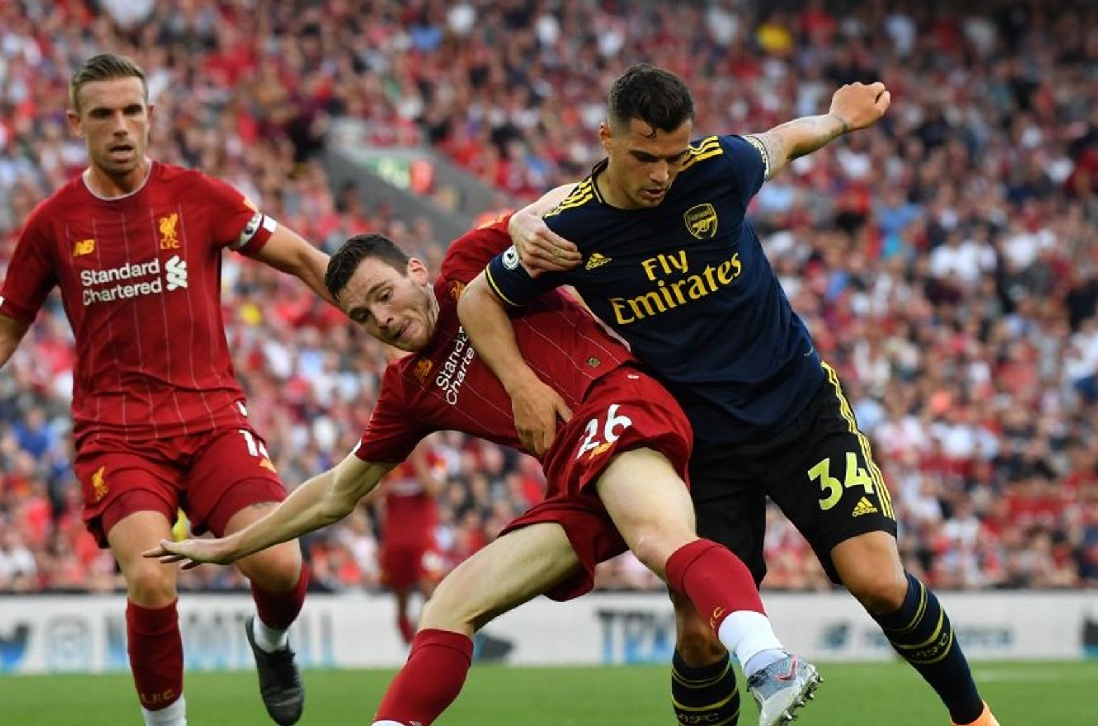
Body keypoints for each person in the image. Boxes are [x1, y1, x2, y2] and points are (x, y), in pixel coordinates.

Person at [458, 62, 999, 726]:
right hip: (702, 447)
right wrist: (521, 386)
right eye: (644, 156)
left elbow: (782, 140)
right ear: (606, 138)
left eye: (674, 155)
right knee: (700, 637)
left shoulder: (719, 168)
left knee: (879, 581)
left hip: (800, 407)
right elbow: (478, 298)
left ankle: (975, 719)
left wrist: (837, 117)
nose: (662, 173)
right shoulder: (568, 231)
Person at [145, 220, 823, 726]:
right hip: (575, 473)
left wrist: (527, 218)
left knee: (658, 541)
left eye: (385, 294)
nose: (383, 319)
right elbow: (338, 492)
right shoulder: (408, 388)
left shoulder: (470, 264)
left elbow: (558, 213)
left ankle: (769, 663)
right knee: (451, 603)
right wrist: (233, 545)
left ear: (415, 270)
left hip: (620, 405)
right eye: (361, 315)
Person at [0, 53, 326, 726]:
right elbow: (2, 331)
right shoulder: (54, 223)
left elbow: (298, 255)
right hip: (117, 434)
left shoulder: (200, 196)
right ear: (76, 124)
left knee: (276, 562)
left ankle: (270, 642)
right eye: (102, 114)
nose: (120, 126)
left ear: (151, 118)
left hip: (211, 416)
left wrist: (373, 308)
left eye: (131, 112)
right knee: (151, 576)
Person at [375, 439, 447, 644]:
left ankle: (430, 632)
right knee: (401, 593)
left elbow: (433, 489)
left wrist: (418, 461)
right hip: (395, 538)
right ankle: (405, 627)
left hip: (424, 537)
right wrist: (384, 489)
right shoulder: (389, 461)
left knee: (429, 589)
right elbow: (363, 498)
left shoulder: (437, 460)